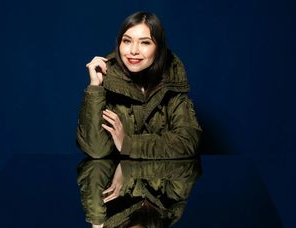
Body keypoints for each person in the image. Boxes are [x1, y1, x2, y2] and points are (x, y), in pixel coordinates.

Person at [76, 11, 202, 159]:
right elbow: (96, 150)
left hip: (164, 178)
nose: (134, 51)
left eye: (145, 42)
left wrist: (128, 144)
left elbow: (187, 143)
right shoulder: (107, 80)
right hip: (118, 179)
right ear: (119, 44)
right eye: (127, 41)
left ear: (158, 48)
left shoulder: (172, 84)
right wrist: (95, 88)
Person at [76, 157, 202, 228]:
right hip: (158, 134)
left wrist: (96, 219)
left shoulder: (106, 214)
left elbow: (96, 165)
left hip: (111, 137)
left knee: (96, 147)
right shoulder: (170, 207)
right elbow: (186, 165)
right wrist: (127, 165)